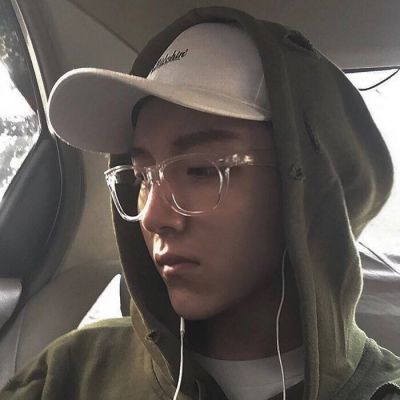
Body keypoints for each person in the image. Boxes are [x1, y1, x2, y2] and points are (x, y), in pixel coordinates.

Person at [1, 6, 400, 400]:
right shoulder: (70, 374)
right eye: (141, 177)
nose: (153, 216)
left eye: (201, 170)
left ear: (310, 190)